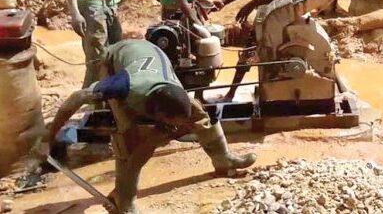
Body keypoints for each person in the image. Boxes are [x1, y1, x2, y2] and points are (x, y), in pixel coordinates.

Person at [45, 39, 256, 214]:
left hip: (154, 59)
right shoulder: (123, 85)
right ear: (158, 113)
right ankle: (124, 199)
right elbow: (77, 98)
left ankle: (223, 159)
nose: (175, 130)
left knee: (199, 114)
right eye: (170, 124)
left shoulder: (174, 91)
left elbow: (179, 114)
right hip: (115, 60)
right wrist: (50, 137)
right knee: (127, 137)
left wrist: (163, 132)